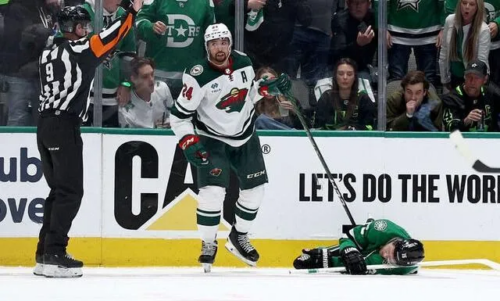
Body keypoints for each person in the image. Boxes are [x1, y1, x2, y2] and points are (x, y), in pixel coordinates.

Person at [170, 23, 291, 272]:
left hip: (245, 134)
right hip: (212, 138)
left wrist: (267, 89)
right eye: (214, 44)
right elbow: (179, 116)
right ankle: (208, 243)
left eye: (223, 42)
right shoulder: (196, 75)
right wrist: (188, 141)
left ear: (230, 43)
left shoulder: (244, 62)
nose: (220, 48)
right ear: (207, 47)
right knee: (212, 193)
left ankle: (239, 237)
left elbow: (249, 94)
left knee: (256, 189)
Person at [34, 1, 143, 278]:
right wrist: (131, 12)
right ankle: (55, 253)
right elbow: (112, 36)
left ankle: (44, 253)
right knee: (70, 192)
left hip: (45, 124)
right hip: (63, 124)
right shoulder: (79, 48)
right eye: (81, 26)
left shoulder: (49, 51)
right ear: (70, 28)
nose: (85, 30)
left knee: (58, 192)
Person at [293, 219, 425, 275]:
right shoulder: (382, 229)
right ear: (395, 241)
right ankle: (322, 251)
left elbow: (361, 265)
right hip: (369, 240)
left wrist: (327, 261)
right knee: (352, 249)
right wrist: (349, 250)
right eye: (389, 251)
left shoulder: (397, 267)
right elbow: (348, 236)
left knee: (356, 263)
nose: (385, 256)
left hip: (374, 253)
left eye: (390, 259)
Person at [314, 58, 376, 130]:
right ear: (335, 76)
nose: (345, 77)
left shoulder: (363, 99)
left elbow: (370, 128)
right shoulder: (326, 98)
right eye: (340, 74)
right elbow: (318, 128)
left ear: (355, 77)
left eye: (349, 74)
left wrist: (350, 128)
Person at [442, 59, 500, 132]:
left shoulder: (492, 93)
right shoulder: (451, 98)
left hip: (489, 141)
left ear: (485, 79)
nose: (472, 81)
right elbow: (449, 128)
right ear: (464, 77)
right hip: (462, 141)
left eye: (477, 78)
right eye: (469, 76)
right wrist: (466, 121)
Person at [119, 57, 173, 128]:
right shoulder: (125, 107)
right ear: (134, 79)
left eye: (152, 74)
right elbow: (128, 136)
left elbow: (176, 115)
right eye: (145, 77)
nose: (151, 79)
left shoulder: (162, 88)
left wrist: (169, 122)